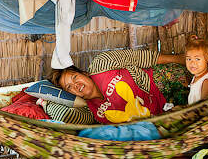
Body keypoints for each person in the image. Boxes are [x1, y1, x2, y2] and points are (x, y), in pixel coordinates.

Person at [47, 49, 185, 124]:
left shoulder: (101, 64)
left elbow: (141, 57)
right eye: (69, 87)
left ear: (83, 73)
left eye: (75, 77)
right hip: (163, 120)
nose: (76, 86)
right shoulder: (91, 111)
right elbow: (66, 116)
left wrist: (183, 59)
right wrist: (44, 102)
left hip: (164, 84)